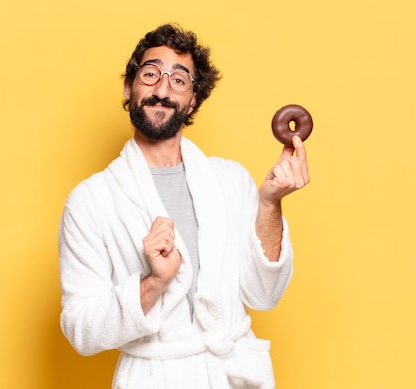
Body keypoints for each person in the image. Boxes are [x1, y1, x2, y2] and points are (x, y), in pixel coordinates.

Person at [59, 23, 310, 389]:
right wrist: (153, 283)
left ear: (193, 99)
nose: (162, 89)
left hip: (232, 376)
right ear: (129, 88)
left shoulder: (229, 181)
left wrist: (270, 204)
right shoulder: (91, 201)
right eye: (150, 74)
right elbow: (79, 329)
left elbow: (264, 295)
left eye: (179, 80)